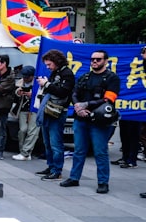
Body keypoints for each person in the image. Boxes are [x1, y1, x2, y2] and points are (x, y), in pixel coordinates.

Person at [59, 49, 120, 194]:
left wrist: (87, 104)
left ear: (105, 61)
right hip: (81, 118)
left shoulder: (112, 78)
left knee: (100, 152)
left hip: (99, 121)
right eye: (92, 59)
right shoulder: (85, 77)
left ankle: (103, 182)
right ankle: (74, 178)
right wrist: (78, 107)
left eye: (98, 59)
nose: (94, 62)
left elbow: (108, 99)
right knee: (79, 150)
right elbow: (74, 93)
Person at [35, 48, 75, 180]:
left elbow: (63, 92)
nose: (48, 67)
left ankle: (57, 170)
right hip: (48, 110)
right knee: (47, 142)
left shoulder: (67, 74)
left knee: (55, 143)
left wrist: (46, 84)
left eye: (49, 64)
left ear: (56, 61)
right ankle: (51, 166)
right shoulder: (56, 72)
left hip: (58, 112)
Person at [11, 66, 39, 161]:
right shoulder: (20, 82)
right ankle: (23, 150)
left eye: (27, 77)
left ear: (32, 76)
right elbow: (14, 96)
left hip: (35, 109)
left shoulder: (38, 83)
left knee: (32, 131)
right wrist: (18, 92)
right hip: (22, 109)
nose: (25, 79)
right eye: (24, 77)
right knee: (23, 130)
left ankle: (26, 152)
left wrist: (33, 95)